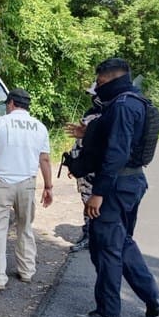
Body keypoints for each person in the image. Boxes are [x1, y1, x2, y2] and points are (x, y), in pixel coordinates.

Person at [73, 58, 159, 317]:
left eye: (100, 82)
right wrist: (89, 131)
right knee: (122, 241)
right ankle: (153, 298)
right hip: (133, 183)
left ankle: (108, 312)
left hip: (115, 187)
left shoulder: (122, 106)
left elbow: (116, 152)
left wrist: (98, 193)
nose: (98, 87)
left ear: (111, 79)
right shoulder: (137, 101)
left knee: (106, 248)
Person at [0, 88, 53, 291]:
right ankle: (27, 271)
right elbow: (45, 159)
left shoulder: (1, 123)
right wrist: (48, 187)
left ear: (11, 103)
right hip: (27, 184)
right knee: (25, 227)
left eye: (7, 104)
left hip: (2, 183)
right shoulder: (40, 127)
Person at [64, 83, 103, 252]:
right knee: (86, 201)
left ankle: (94, 237)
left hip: (95, 169)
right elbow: (79, 142)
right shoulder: (91, 114)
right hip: (85, 167)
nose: (93, 99)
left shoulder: (105, 117)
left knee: (93, 203)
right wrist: (73, 164)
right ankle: (89, 235)